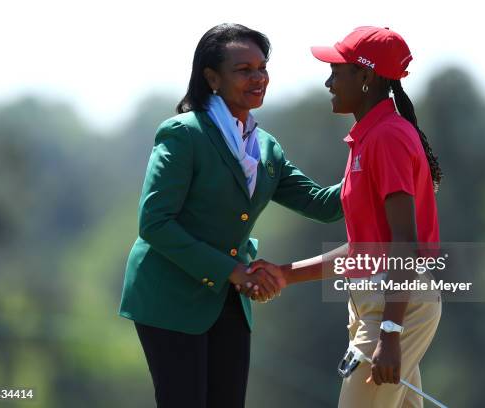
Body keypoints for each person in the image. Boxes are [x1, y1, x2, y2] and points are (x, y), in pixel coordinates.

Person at [117, 23, 343, 408]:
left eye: (262, 67)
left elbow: (324, 206)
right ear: (212, 78)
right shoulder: (182, 134)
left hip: (230, 301)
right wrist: (233, 271)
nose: (258, 78)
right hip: (170, 297)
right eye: (244, 69)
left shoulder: (266, 147)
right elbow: (154, 222)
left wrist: (371, 153)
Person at [246, 26, 444, 407]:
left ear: (366, 77)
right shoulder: (368, 137)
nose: (328, 81)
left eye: (337, 71)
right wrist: (285, 275)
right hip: (379, 306)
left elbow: (405, 242)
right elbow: (365, 250)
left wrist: (389, 332)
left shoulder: (386, 137)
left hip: (394, 307)